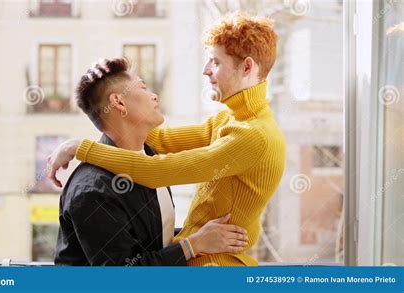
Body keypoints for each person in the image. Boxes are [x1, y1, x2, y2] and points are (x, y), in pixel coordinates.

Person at [49, 12, 286, 266]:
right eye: (142, 87)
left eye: (215, 62)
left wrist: (79, 147)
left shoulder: (253, 135)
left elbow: (158, 170)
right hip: (199, 261)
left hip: (216, 266)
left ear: (247, 67)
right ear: (118, 102)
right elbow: (161, 141)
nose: (206, 71)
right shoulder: (230, 119)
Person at [54, 57, 248, 266]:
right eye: (143, 88)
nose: (154, 96)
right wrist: (193, 244)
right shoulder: (92, 191)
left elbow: (151, 238)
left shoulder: (150, 158)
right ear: (118, 102)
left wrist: (202, 236)